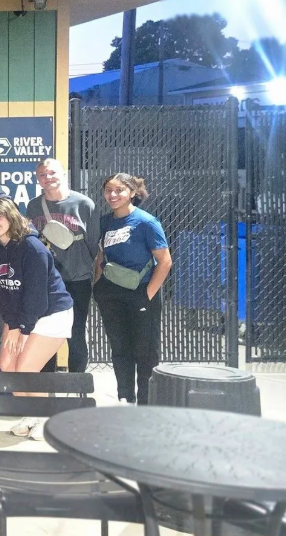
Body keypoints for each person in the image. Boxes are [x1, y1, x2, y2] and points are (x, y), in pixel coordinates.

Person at [0, 196, 74, 439]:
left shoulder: (33, 248)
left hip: (51, 313)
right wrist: (13, 324)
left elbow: (37, 297)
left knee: (25, 369)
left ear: (11, 216)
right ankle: (33, 414)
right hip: (20, 316)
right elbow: (1, 293)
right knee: (7, 367)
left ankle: (48, 418)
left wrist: (22, 329)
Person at [94, 173, 172, 405]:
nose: (113, 195)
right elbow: (101, 255)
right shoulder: (104, 222)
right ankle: (125, 398)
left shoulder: (146, 222)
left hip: (141, 292)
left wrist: (147, 294)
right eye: (108, 190)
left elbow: (165, 261)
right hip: (111, 294)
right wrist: (97, 285)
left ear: (132, 192)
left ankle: (146, 403)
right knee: (120, 349)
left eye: (119, 190)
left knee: (145, 352)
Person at [26, 158, 99, 374]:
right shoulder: (33, 206)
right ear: (38, 179)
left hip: (77, 280)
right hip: (46, 282)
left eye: (52, 173)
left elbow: (94, 244)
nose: (48, 178)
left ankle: (77, 384)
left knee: (75, 334)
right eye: (42, 175)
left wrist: (83, 267)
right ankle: (47, 384)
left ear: (63, 174)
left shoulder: (84, 204)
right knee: (44, 333)